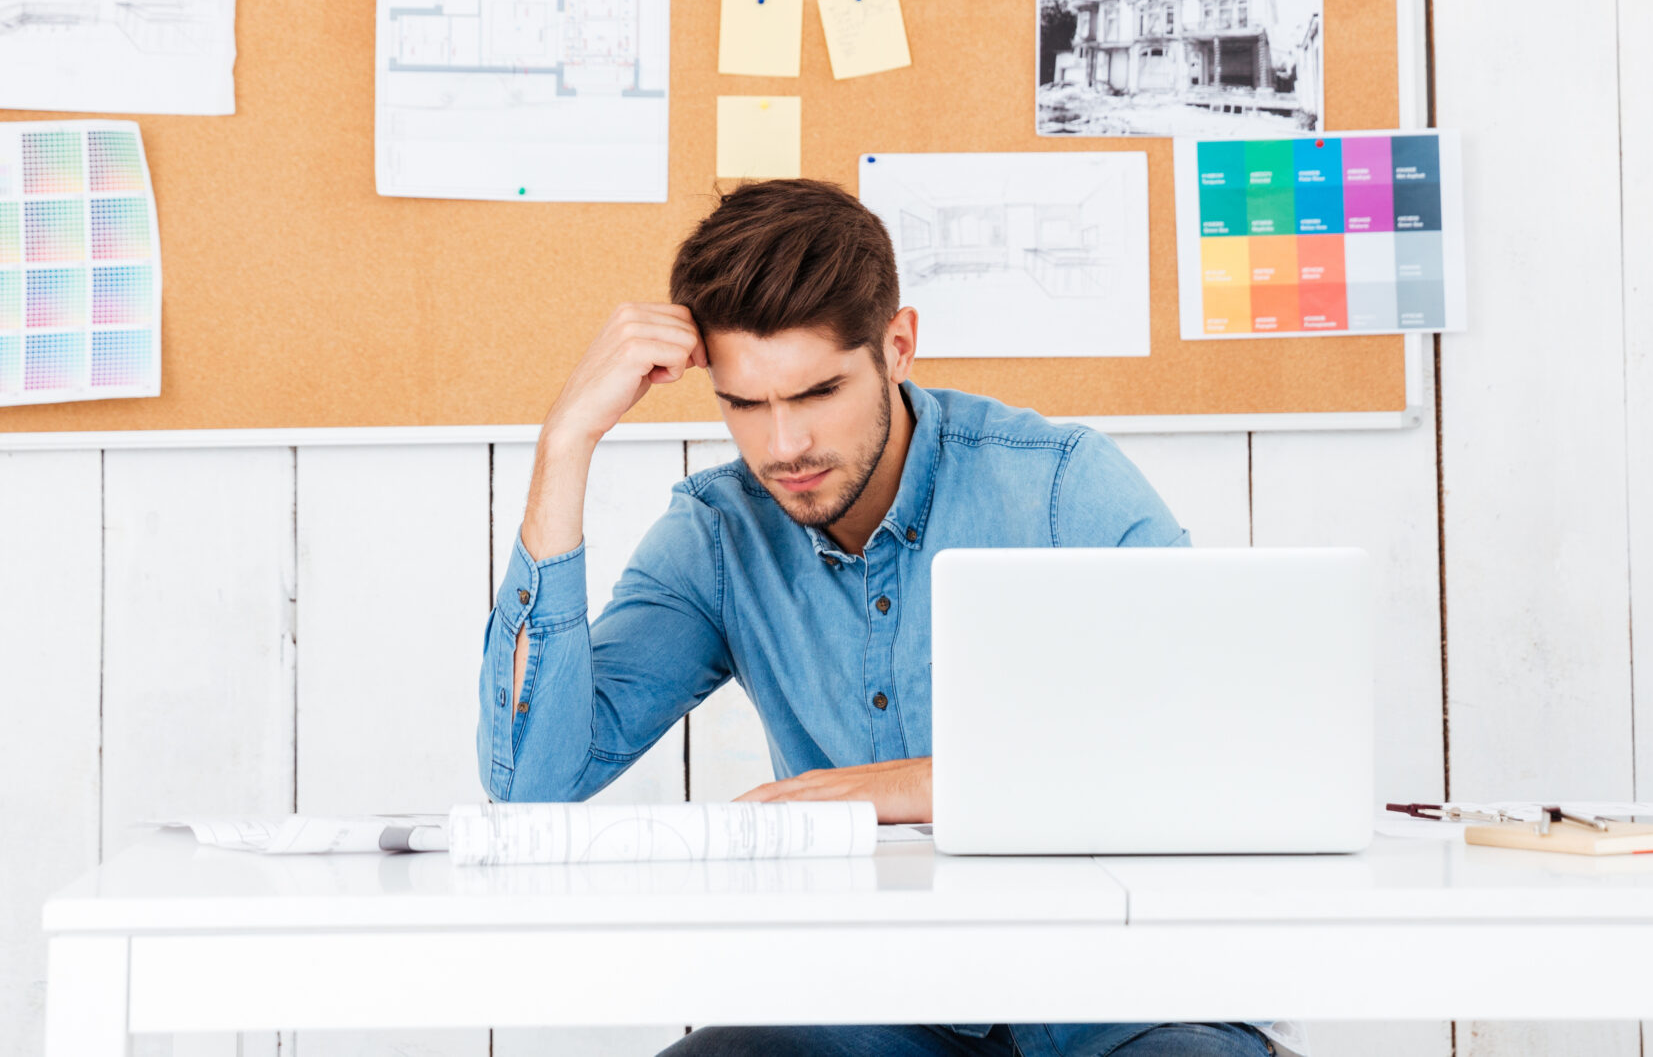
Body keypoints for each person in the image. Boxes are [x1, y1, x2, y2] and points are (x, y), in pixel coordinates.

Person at [478, 178, 1277, 1057]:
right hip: (881, 1007)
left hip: (1127, 1001)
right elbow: (532, 790)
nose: (783, 447)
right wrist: (565, 443)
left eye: (818, 392)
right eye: (745, 404)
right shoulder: (719, 535)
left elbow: (1220, 752)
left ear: (898, 346)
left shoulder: (1059, 486)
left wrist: (917, 784)